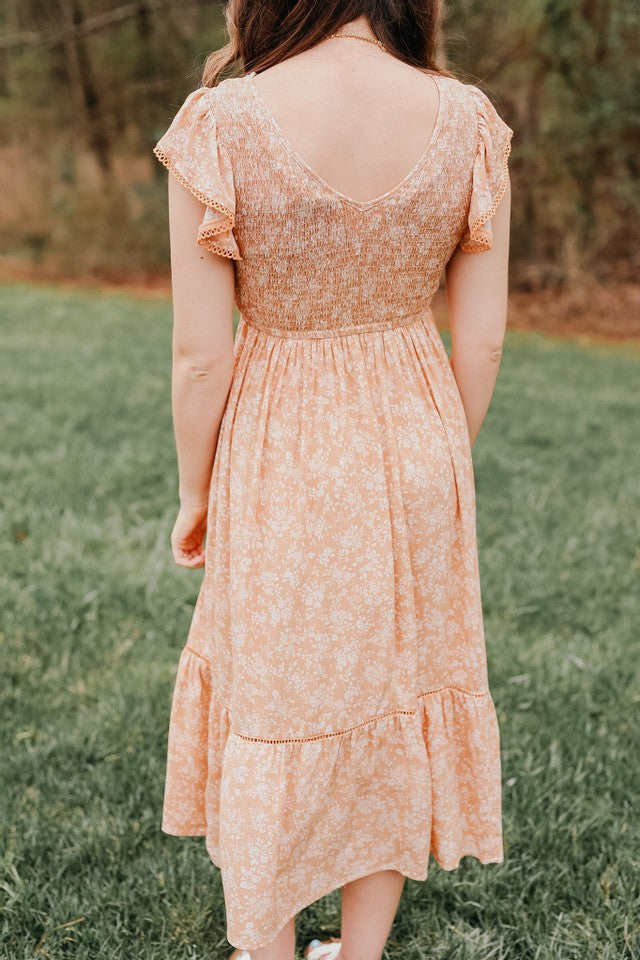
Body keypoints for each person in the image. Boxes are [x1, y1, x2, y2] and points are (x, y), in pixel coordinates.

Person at [152, 2, 513, 958]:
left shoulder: (222, 121)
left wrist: (196, 491)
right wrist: (435, 457)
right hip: (416, 431)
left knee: (272, 697)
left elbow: (200, 355)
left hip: (279, 438)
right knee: (390, 694)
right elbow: (479, 337)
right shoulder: (468, 118)